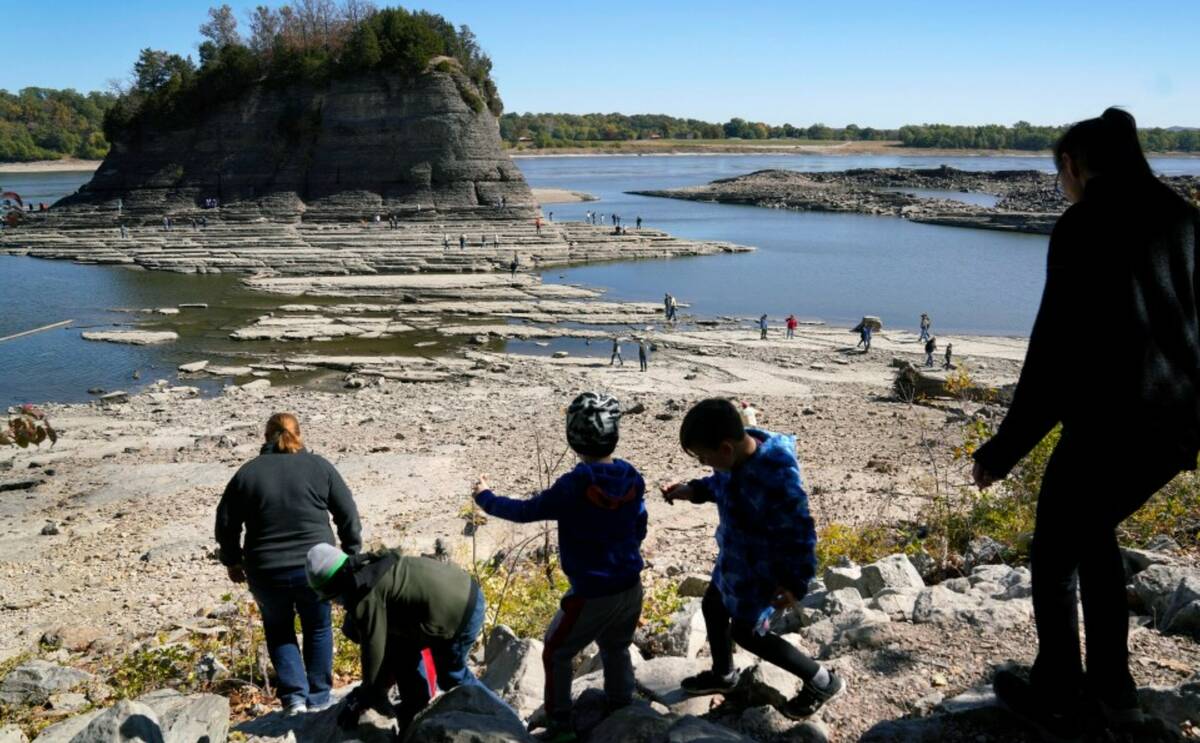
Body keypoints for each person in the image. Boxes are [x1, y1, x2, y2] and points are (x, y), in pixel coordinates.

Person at [971, 108, 1200, 740]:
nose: (1061, 186)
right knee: (1092, 536)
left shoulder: (1083, 225)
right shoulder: (1184, 219)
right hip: (1175, 426)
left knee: (1053, 554)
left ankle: (1058, 691)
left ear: (1074, 166)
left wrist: (1005, 448)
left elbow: (1055, 352)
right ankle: (1113, 690)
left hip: (1108, 426)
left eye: (1060, 173)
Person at [473, 393, 646, 743]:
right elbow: (640, 523)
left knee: (557, 651)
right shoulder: (632, 477)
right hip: (630, 585)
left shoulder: (575, 485)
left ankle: (560, 724)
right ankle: (621, 706)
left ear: (573, 439)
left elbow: (525, 511)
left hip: (590, 592)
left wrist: (485, 497)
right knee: (616, 646)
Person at [662, 399, 843, 719]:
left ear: (726, 448)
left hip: (763, 574)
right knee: (712, 606)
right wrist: (692, 490)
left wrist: (795, 584)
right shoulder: (733, 460)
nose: (705, 463)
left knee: (747, 634)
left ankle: (822, 681)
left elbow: (801, 532)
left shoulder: (776, 478)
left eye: (704, 457)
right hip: (734, 562)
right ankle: (723, 675)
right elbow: (720, 484)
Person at [215, 413, 362, 716]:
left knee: (279, 629)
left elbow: (226, 524)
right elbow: (348, 513)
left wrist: (232, 560)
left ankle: (295, 699)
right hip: (317, 567)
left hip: (266, 569)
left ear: (266, 437)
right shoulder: (320, 467)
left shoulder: (248, 473)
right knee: (319, 627)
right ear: (299, 434)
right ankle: (320, 697)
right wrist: (351, 554)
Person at [307, 544, 486, 734]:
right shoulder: (366, 569)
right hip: (462, 589)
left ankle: (500, 718)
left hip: (459, 611)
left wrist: (368, 694)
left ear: (334, 587)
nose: (336, 603)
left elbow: (373, 648)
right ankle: (415, 709)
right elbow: (383, 646)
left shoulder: (366, 594)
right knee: (400, 651)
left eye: (332, 598)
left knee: (452, 677)